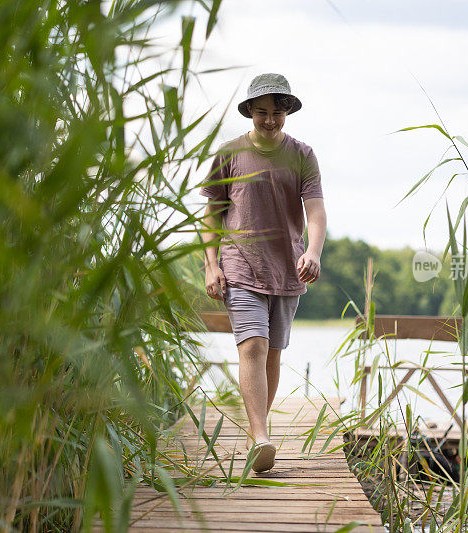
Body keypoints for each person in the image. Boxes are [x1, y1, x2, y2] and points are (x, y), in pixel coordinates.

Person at [200, 73, 327, 473]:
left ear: (287, 110)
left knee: (272, 354)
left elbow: (317, 213)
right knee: (251, 347)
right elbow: (210, 216)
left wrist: (313, 251)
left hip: (288, 268)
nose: (270, 120)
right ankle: (260, 437)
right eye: (261, 113)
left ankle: (260, 431)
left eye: (276, 112)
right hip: (240, 265)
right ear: (250, 112)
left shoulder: (302, 154)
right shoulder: (229, 153)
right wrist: (211, 264)